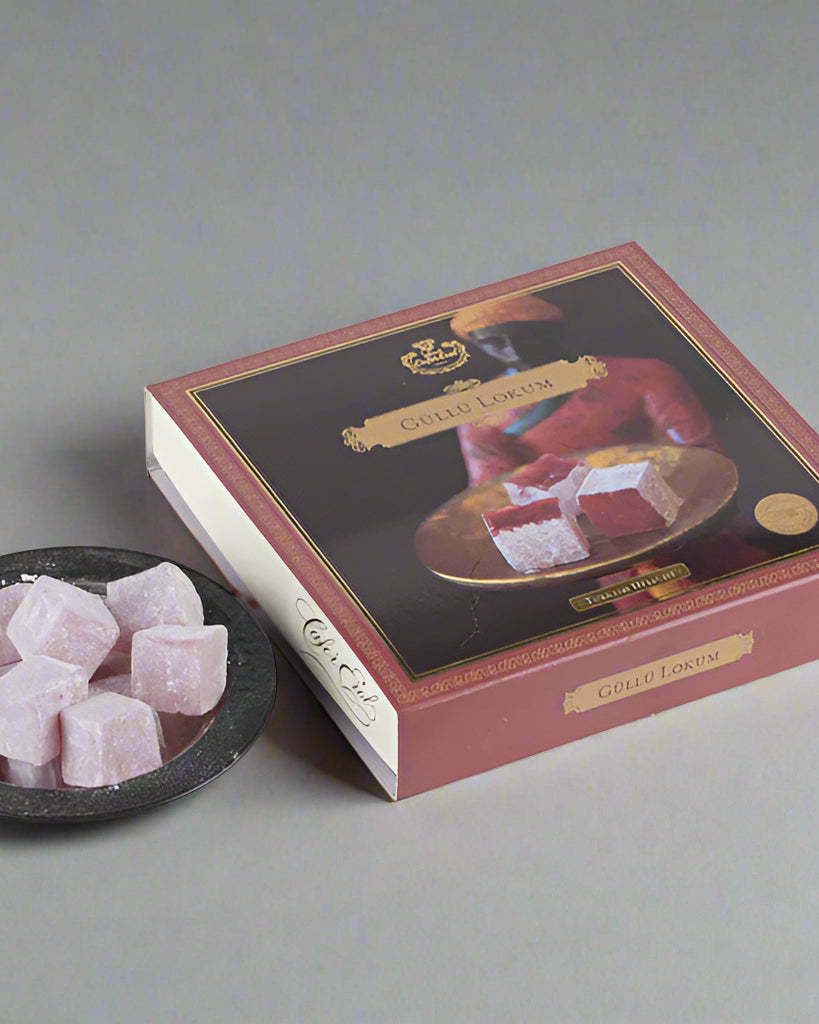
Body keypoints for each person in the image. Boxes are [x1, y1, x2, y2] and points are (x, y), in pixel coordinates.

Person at [450, 294, 768, 606]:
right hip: (603, 551)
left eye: (527, 334)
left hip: (689, 520)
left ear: (553, 329)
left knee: (757, 595)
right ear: (477, 345)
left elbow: (703, 454)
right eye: (495, 342)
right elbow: (495, 495)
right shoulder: (481, 415)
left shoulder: (643, 374)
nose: (514, 350)